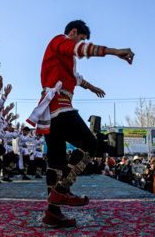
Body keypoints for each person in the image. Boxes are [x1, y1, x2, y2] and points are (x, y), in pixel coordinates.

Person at [26, 20, 134, 227]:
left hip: (50, 111)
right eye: (82, 38)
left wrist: (92, 87)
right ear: (73, 32)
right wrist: (113, 51)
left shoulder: (64, 58)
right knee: (90, 145)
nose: (82, 43)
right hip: (60, 106)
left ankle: (53, 213)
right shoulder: (60, 41)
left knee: (56, 163)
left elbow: (76, 78)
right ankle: (62, 191)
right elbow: (79, 49)